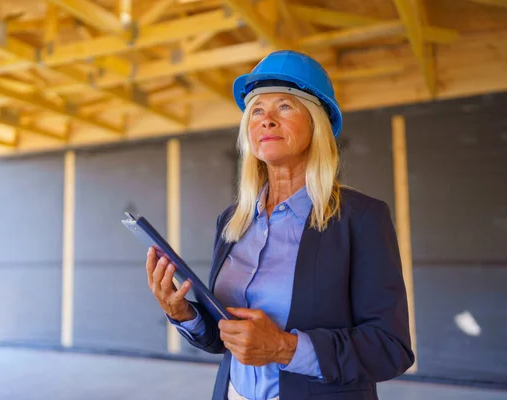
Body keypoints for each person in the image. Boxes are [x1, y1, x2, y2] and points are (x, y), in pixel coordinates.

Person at [145, 50, 414, 400]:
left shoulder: (360, 218)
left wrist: (284, 348)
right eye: (257, 110)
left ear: (316, 123)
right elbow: (225, 339)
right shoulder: (233, 221)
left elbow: (390, 348)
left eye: (285, 107)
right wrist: (182, 313)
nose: (266, 120)